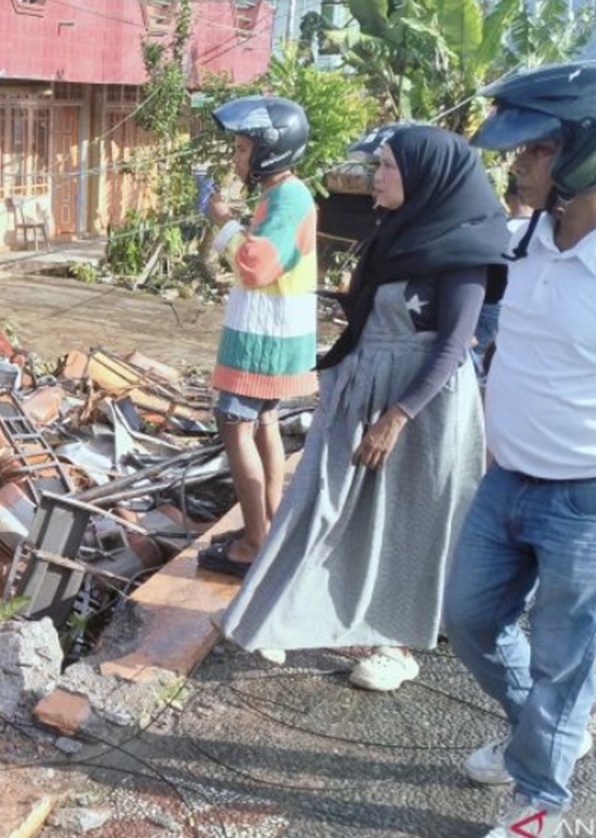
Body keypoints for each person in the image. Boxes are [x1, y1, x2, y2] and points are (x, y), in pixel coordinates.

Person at [218, 124, 509, 692]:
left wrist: (396, 416)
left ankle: (394, 646)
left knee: (405, 522)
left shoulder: (465, 249)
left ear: (426, 175)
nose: (375, 178)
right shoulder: (395, 234)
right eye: (377, 166)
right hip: (365, 388)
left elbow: (453, 345)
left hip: (422, 408)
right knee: (320, 503)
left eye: (386, 167)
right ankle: (281, 616)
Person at [444, 60, 596, 838]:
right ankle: (543, 731)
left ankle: (540, 801)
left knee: (564, 660)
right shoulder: (521, 241)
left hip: (584, 499)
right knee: (467, 619)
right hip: (506, 481)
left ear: (581, 151)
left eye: (532, 150)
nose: (516, 163)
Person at [197, 95, 319, 578]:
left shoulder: (288, 199)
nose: (236, 158)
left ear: (271, 151)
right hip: (276, 339)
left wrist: (223, 222)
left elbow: (257, 264)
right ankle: (265, 527)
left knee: (235, 424)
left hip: (263, 341)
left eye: (244, 149)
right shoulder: (281, 195)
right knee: (265, 424)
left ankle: (253, 541)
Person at [471, 176, 532, 378]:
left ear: (509, 197)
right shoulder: (543, 232)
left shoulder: (499, 230)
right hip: (522, 309)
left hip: (492, 304)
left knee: (475, 357)